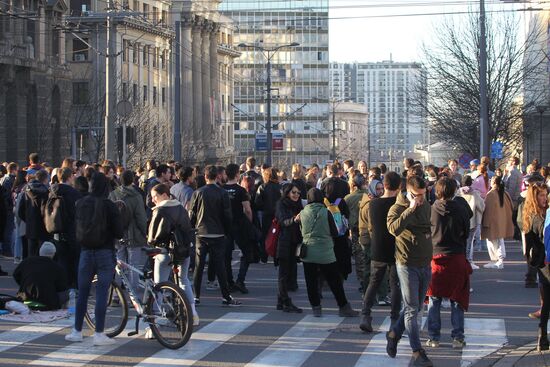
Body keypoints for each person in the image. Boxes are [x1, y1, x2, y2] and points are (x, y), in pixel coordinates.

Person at [65, 172, 123, 346]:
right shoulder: (109, 205)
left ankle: (77, 330)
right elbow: (119, 232)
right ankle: (98, 332)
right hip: (105, 252)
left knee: (82, 292)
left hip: (85, 251)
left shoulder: (81, 203)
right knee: (101, 293)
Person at [386, 176, 434, 367]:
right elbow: (393, 229)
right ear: (407, 191)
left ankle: (394, 333)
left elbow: (427, 226)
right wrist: (410, 209)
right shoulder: (397, 208)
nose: (421, 199)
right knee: (412, 309)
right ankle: (417, 352)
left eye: (423, 195)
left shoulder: (426, 205)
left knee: (413, 307)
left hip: (425, 263)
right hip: (406, 264)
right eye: (417, 195)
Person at [426, 177, 473, 349]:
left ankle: (433, 337)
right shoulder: (461, 209)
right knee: (457, 299)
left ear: (436, 191)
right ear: (454, 191)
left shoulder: (431, 209)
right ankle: (458, 337)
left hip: (436, 257)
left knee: (434, 299)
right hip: (456, 256)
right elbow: (466, 233)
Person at [148, 183, 198, 326]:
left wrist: (151, 245)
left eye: (155, 196)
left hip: (165, 251)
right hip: (183, 250)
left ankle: (154, 323)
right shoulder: (180, 208)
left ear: (164, 195)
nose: (153, 200)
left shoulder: (160, 210)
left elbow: (153, 237)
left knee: (159, 285)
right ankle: (193, 313)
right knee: (183, 280)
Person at [190, 165, 240, 306]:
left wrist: (193, 226)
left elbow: (192, 213)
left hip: (201, 232)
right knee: (220, 265)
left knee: (199, 266)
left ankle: (196, 296)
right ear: (217, 177)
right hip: (218, 232)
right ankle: (225, 296)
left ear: (205, 177)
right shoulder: (222, 193)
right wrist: (226, 230)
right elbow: (227, 215)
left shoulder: (198, 192)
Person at [359, 172, 403, 332]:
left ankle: (365, 315)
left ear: (383, 185)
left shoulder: (373, 204)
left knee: (374, 281)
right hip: (395, 248)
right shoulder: (400, 205)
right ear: (399, 187)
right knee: (395, 284)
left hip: (377, 246)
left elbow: (370, 226)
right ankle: (394, 319)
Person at [109, 170, 148, 294]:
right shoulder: (136, 196)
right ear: (133, 180)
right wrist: (144, 232)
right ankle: (133, 295)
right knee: (133, 266)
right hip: (133, 234)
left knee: (119, 264)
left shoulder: (113, 194)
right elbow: (141, 217)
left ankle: (116, 294)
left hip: (117, 233)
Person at [523, 183, 549, 351]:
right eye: (541, 195)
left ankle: (542, 337)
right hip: (546, 262)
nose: (545, 198)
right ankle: (542, 336)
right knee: (546, 302)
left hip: (541, 263)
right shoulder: (538, 217)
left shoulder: (530, 215)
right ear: (534, 197)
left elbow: (528, 249)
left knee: (546, 302)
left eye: (546, 194)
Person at [223, 163, 254, 294]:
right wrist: (250, 223)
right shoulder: (241, 191)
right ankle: (240, 280)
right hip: (239, 224)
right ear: (237, 174)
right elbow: (247, 209)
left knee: (226, 255)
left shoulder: (221, 189)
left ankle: (229, 282)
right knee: (246, 252)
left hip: (225, 225)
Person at [51, 168, 83, 290]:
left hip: (56, 230)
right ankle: (74, 285)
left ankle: (62, 285)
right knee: (75, 259)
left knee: (61, 259)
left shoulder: (52, 191)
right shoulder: (73, 193)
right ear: (69, 177)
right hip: (71, 230)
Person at [13, 242, 69, 310]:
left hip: (25, 301)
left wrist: (24, 283)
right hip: (48, 304)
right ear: (54, 254)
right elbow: (62, 289)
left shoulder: (27, 261)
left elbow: (15, 275)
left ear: (40, 252)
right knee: (67, 293)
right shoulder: (57, 267)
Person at [275, 183, 303, 313]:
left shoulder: (298, 204)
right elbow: (283, 221)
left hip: (294, 241)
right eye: (293, 192)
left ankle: (281, 300)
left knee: (290, 271)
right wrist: (294, 219)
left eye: (298, 193)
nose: (296, 195)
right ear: (287, 193)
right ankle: (286, 301)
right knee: (283, 273)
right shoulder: (281, 204)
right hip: (284, 241)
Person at [481, 176, 514, 269]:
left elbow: (487, 209)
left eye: (492, 181)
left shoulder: (491, 194)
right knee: (498, 241)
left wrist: (485, 222)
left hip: (492, 222)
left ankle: (498, 260)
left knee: (493, 241)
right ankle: (496, 260)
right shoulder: (505, 193)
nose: (490, 182)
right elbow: (511, 207)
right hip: (502, 221)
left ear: (494, 183)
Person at [18, 169, 51, 257]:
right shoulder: (46, 192)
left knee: (31, 254)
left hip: (30, 226)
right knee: (42, 255)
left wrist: (27, 219)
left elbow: (20, 209)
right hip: (42, 227)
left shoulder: (26, 190)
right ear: (45, 179)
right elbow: (45, 210)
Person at [344, 174, 369, 293]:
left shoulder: (348, 198)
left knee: (359, 255)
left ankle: (363, 280)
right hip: (368, 228)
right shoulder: (369, 195)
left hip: (355, 229)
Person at [457, 175, 485, 269]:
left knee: (461, 241)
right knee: (470, 241)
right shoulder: (474, 193)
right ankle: (469, 261)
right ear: (471, 182)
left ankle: (461, 260)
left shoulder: (458, 192)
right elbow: (481, 206)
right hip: (472, 220)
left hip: (459, 220)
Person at [255, 168, 282, 263]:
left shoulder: (262, 187)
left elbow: (257, 203)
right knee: (277, 235)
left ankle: (264, 257)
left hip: (266, 214)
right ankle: (276, 257)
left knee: (265, 235)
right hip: (278, 215)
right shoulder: (280, 187)